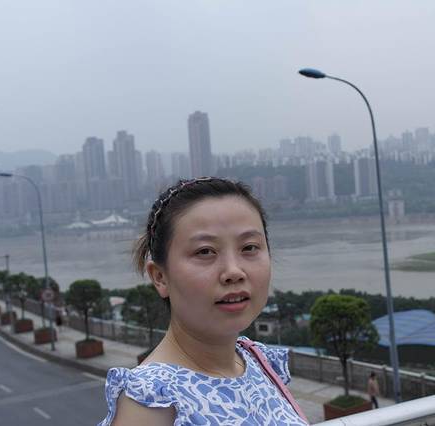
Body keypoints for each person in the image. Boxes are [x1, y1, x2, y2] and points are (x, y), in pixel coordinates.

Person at [99, 177, 308, 425]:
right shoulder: (151, 402)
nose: (234, 271)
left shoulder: (256, 360)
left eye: (249, 247)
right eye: (205, 251)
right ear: (160, 277)